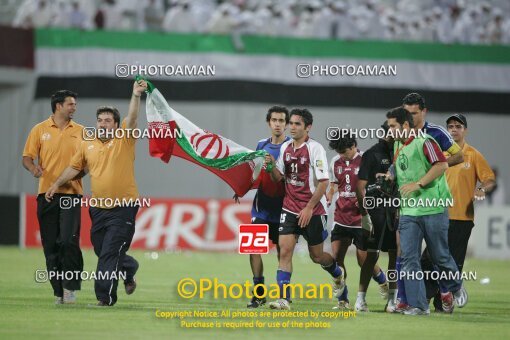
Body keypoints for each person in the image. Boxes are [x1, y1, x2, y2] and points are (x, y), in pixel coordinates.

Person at [46, 79, 148, 306]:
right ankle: (129, 267)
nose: (103, 124)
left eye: (108, 121)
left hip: (123, 208)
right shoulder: (87, 143)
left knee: (110, 252)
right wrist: (55, 184)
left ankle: (105, 298)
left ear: (116, 125)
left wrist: (136, 95)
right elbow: (74, 168)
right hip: (98, 209)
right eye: (100, 120)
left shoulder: (124, 139)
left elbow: (132, 118)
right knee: (102, 250)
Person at [387, 107, 466, 315]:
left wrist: (418, 184)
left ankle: (456, 286)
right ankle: (419, 305)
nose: (390, 130)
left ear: (405, 125)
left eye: (393, 126)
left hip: (433, 208)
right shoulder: (396, 144)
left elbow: (441, 165)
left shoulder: (426, 142)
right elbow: (400, 166)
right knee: (409, 258)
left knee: (440, 256)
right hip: (409, 212)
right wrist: (389, 174)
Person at [264, 109, 344, 310]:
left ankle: (337, 272)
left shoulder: (315, 149)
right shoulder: (285, 148)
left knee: (317, 257)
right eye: (290, 123)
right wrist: (271, 166)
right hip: (290, 207)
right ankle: (284, 299)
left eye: (297, 124)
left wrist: (309, 208)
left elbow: (324, 183)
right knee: (284, 252)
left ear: (308, 127)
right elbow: (278, 178)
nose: (292, 127)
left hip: (313, 210)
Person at [422, 113, 496, 311]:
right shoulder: (438, 153)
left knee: (453, 261)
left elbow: (489, 179)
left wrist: (481, 188)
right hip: (436, 214)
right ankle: (425, 300)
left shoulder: (473, 154)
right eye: (450, 126)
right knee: (427, 260)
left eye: (458, 126)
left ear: (465, 130)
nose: (454, 129)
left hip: (461, 217)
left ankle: (442, 303)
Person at [22, 90, 85, 304]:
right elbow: (27, 158)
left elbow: (87, 162)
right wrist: (33, 169)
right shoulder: (39, 130)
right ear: (58, 106)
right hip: (45, 195)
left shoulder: (82, 131)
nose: (74, 107)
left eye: (74, 104)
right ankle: (58, 292)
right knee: (50, 246)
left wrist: (77, 175)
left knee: (69, 241)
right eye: (71, 104)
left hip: (72, 195)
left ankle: (70, 288)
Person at [327, 135, 388, 311]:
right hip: (341, 217)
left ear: (354, 146)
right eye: (339, 153)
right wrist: (330, 194)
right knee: (337, 259)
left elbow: (378, 185)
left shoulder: (367, 160)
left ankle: (383, 281)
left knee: (363, 261)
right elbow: (333, 184)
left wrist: (365, 198)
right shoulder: (335, 162)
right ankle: (343, 301)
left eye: (344, 152)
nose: (342, 156)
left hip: (362, 219)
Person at [247, 106, 290, 308]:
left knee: (283, 252)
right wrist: (241, 188)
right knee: (253, 249)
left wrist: (272, 166)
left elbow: (284, 180)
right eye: (274, 120)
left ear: (287, 124)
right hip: (261, 206)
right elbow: (253, 173)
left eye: (282, 121)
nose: (278, 124)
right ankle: (259, 293)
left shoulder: (292, 147)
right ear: (269, 122)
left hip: (284, 208)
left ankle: (283, 296)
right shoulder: (260, 145)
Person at [355, 122, 398, 313]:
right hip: (376, 211)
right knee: (371, 256)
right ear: (383, 133)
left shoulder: (400, 152)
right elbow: (360, 187)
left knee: (395, 255)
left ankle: (392, 301)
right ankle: (360, 299)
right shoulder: (372, 154)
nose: (393, 135)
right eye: (390, 132)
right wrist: (365, 213)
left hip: (395, 209)